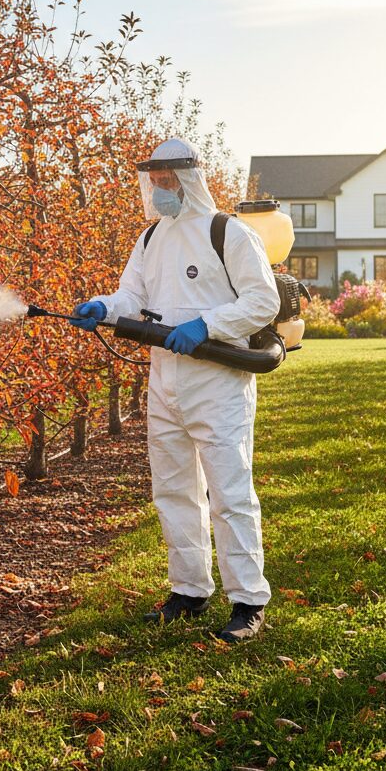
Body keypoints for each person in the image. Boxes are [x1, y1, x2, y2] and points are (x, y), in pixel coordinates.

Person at [71, 137, 279, 642]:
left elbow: (262, 301)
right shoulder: (150, 238)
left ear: (188, 179)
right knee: (173, 490)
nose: (160, 190)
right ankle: (189, 590)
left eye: (167, 181)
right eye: (154, 181)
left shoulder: (226, 232)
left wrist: (207, 325)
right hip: (164, 381)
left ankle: (248, 601)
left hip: (218, 382)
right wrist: (104, 305)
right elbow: (132, 296)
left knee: (229, 491)